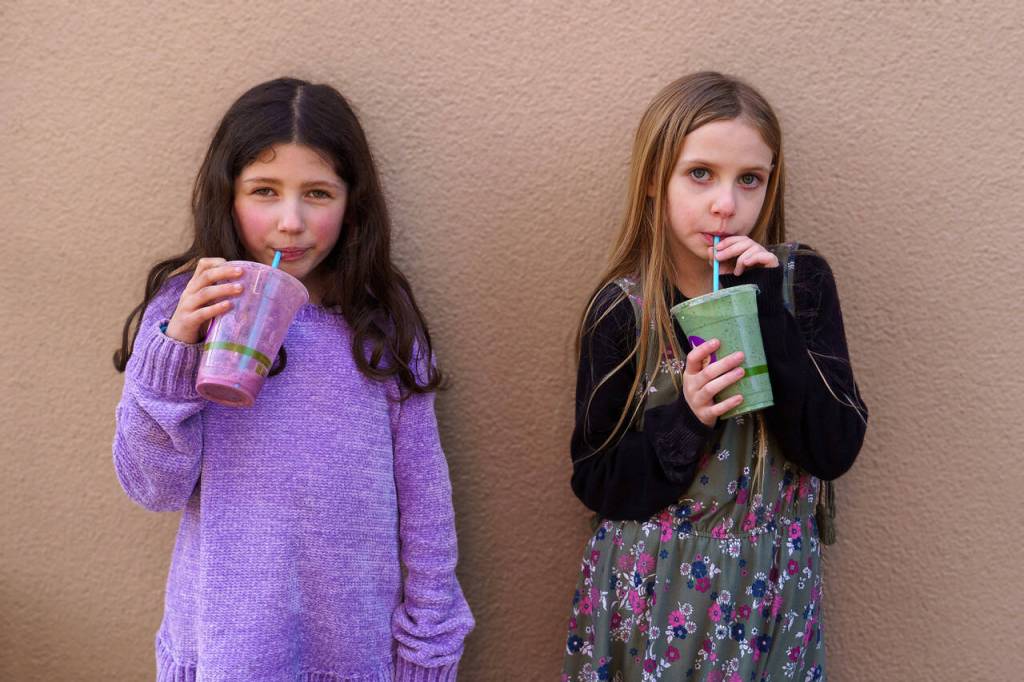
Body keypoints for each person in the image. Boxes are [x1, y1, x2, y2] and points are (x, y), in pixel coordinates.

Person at [112, 77, 473, 681]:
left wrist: (429, 638)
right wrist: (175, 348)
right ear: (226, 197)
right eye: (264, 191)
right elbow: (154, 489)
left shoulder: (380, 326)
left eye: (317, 193)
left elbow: (425, 500)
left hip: (356, 652)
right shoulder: (187, 314)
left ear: (351, 203)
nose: (290, 221)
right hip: (229, 652)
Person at [561, 71, 867, 681]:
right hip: (653, 597)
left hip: (772, 594)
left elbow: (833, 448)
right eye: (700, 173)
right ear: (655, 180)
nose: (726, 203)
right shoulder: (624, 310)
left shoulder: (799, 286)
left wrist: (764, 312)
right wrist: (688, 417)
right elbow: (597, 481)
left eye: (749, 179)